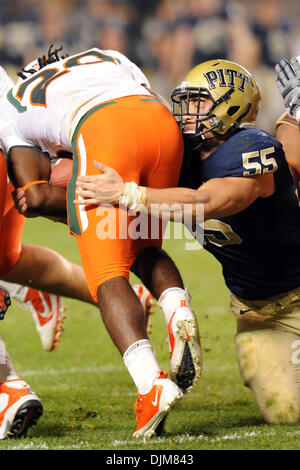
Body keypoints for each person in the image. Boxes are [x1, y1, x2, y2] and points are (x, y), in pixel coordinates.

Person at [75, 58, 300, 425]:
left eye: (198, 103)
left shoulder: (249, 146)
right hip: (257, 309)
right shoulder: (180, 155)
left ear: (231, 107)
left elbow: (207, 202)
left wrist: (130, 194)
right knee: (285, 412)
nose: (186, 113)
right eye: (185, 102)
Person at [2, 46, 202, 438]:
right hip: (159, 124)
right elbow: (147, 94)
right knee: (143, 245)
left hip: (102, 131)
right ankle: (178, 310)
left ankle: (150, 385)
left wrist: (49, 197)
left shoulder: (13, 103)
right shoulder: (103, 55)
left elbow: (38, 193)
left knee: (108, 273)